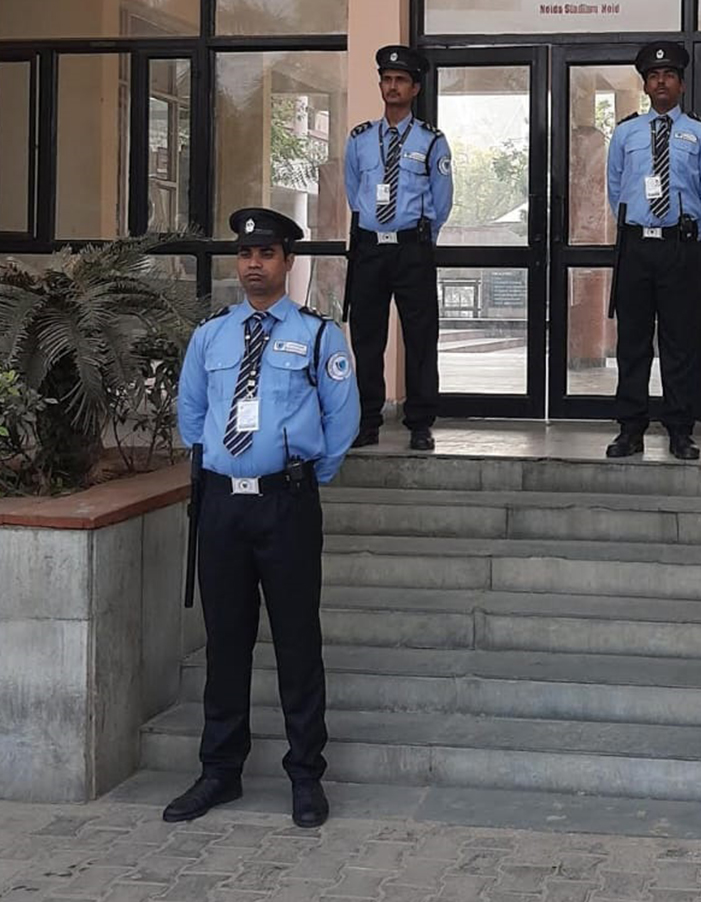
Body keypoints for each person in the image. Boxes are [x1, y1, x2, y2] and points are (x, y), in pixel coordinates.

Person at [167, 207, 360, 828]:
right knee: (225, 642)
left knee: (297, 641)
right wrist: (223, 469)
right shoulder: (211, 336)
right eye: (246, 254)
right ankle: (220, 771)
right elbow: (192, 414)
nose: (255, 264)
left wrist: (301, 478)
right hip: (223, 504)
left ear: (288, 261)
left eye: (267, 253)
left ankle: (306, 775)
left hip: (286, 505)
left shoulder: (318, 335)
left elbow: (342, 418)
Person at [605, 40, 701, 461]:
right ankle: (630, 428)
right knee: (633, 343)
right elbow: (615, 186)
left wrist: (688, 235)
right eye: (653, 76)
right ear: (645, 85)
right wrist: (639, 224)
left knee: (679, 344)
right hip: (636, 247)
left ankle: (680, 430)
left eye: (669, 75)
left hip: (678, 247)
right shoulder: (626, 133)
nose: (661, 82)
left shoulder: (700, 134)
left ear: (681, 84)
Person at [343, 44, 453, 451]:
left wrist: (420, 239)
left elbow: (442, 200)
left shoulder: (431, 141)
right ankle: (368, 420)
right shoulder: (360, 140)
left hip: (411, 250)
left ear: (415, 88)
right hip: (370, 250)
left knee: (420, 339)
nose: (392, 86)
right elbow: (354, 191)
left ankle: (420, 423)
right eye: (387, 80)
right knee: (366, 338)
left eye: (400, 80)